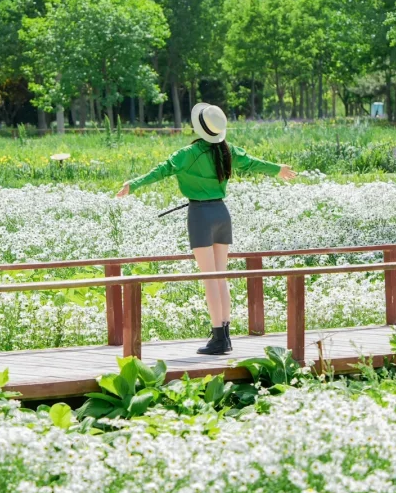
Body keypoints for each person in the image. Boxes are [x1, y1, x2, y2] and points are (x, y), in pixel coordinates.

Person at [116, 102, 295, 355]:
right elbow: (251, 163)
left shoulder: (187, 154)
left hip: (200, 215)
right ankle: (225, 336)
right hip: (222, 213)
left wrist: (132, 184)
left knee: (209, 277)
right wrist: (278, 169)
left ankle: (218, 337)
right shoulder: (226, 150)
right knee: (220, 276)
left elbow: (161, 171)